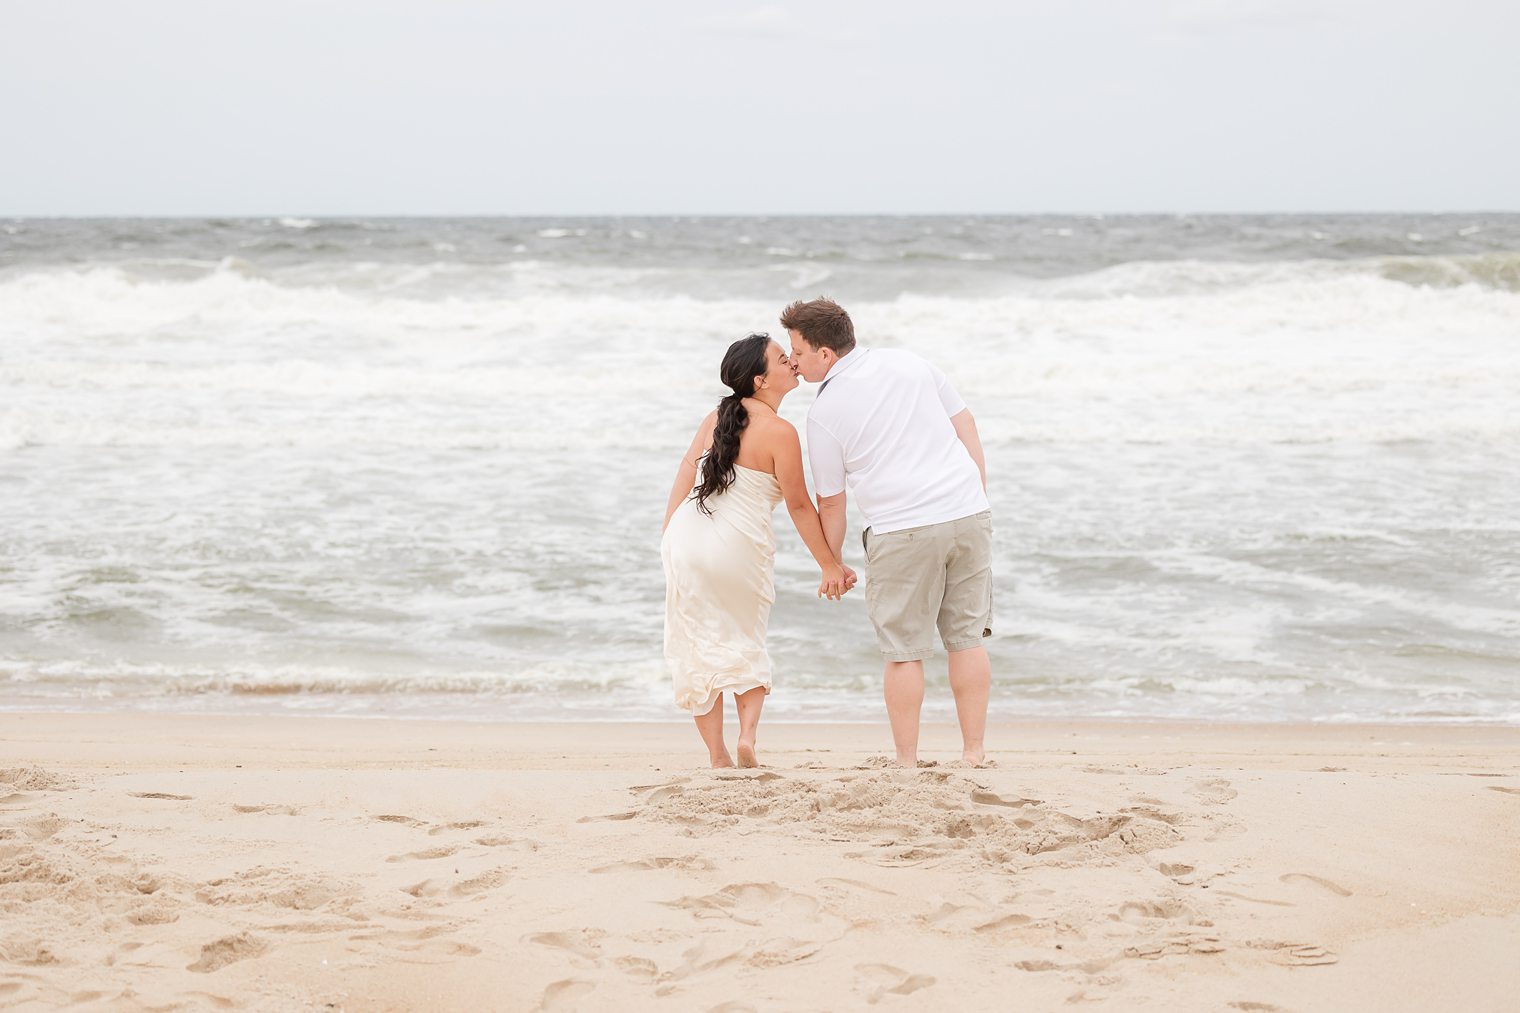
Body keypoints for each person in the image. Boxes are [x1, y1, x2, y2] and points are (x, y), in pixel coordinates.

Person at [784, 298, 993, 768]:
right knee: (966, 639)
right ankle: (974, 752)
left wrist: (832, 563)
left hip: (902, 530)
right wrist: (975, 490)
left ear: (825, 355)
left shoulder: (823, 414)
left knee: (903, 651)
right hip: (967, 515)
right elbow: (965, 423)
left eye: (797, 350)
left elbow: (831, 501)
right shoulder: (909, 362)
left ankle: (906, 761)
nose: (791, 361)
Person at [661, 333, 855, 769]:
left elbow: (685, 468)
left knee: (696, 645)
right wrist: (829, 564)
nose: (792, 363)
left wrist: (668, 528)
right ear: (761, 380)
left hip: (685, 540)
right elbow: (800, 505)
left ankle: (718, 756)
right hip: (736, 548)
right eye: (783, 359)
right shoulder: (780, 432)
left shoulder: (716, 416)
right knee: (743, 638)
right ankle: (747, 736)